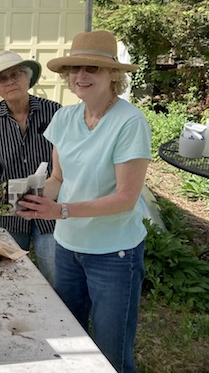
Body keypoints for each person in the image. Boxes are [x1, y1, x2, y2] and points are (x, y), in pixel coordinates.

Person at [17, 30, 152, 373]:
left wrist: (61, 210)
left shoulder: (130, 122)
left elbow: (126, 198)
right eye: (75, 68)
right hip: (68, 248)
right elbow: (58, 180)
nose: (81, 76)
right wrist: (31, 198)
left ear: (113, 75)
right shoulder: (64, 118)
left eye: (92, 68)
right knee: (69, 344)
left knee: (112, 356)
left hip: (114, 255)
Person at [0, 50, 61, 286]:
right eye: (3, 79)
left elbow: (71, 162)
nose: (10, 82)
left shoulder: (55, 113)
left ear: (28, 79)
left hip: (51, 209)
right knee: (10, 276)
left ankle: (58, 320)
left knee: (57, 275)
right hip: (10, 213)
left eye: (15, 74)